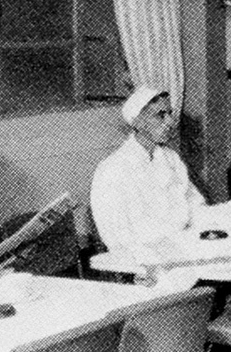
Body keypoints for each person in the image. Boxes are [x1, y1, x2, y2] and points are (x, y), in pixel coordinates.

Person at [89, 86, 208, 264]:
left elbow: (196, 206)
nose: (170, 122)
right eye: (160, 115)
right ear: (137, 122)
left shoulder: (171, 158)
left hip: (185, 248)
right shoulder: (112, 170)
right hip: (145, 260)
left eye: (170, 113)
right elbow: (116, 236)